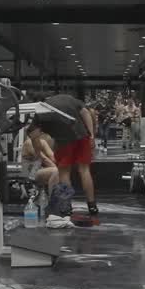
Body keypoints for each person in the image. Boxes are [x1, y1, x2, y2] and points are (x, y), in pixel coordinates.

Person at [26, 92, 97, 228]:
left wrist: (38, 154)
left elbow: (34, 136)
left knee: (64, 172)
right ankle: (92, 206)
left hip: (64, 140)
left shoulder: (40, 110)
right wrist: (91, 134)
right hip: (82, 136)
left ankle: (66, 207)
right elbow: (86, 113)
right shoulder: (68, 98)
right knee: (84, 170)